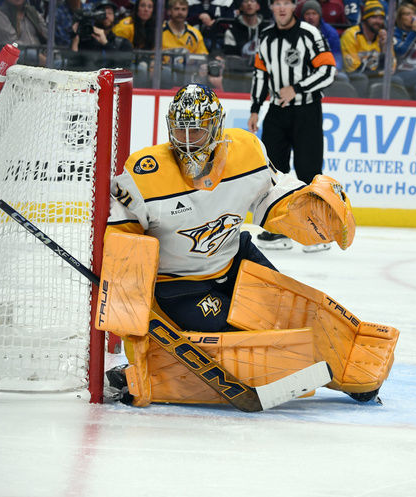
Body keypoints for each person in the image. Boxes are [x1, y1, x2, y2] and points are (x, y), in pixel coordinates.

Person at [100, 84, 397, 408]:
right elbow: (123, 243)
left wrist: (305, 206)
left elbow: (273, 194)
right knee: (244, 344)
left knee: (294, 315)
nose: (187, 140)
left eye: (197, 130)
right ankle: (151, 373)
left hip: (237, 259)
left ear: (216, 127)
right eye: (181, 130)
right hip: (180, 286)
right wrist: (134, 321)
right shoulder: (144, 173)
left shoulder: (247, 152)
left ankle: (350, 374)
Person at [248, 0, 336, 252]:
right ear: (271, 7)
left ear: (294, 5)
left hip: (306, 110)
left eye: (287, 2)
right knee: (274, 172)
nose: (282, 8)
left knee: (309, 170)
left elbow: (329, 71)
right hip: (276, 111)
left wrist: (296, 88)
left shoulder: (310, 34)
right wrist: (255, 108)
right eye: (277, 3)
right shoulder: (265, 37)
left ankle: (315, 232)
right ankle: (277, 231)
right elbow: (260, 76)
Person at [69, 0, 132, 70]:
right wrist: (75, 41)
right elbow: (73, 66)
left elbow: (125, 66)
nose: (106, 16)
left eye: (109, 13)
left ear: (115, 16)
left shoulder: (123, 43)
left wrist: (105, 43)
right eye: (102, 12)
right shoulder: (85, 41)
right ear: (94, 16)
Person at [0, 0, 48, 65]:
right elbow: (11, 44)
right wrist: (39, 57)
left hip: (40, 56)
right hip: (15, 60)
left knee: (56, 55)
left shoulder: (33, 12)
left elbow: (47, 37)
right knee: (30, 54)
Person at [392, 3, 416, 95]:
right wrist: (413, 32)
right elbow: (400, 52)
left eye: (414, 14)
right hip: (401, 72)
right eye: (407, 14)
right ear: (400, 18)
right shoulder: (395, 33)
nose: (412, 17)